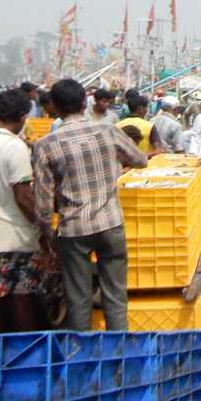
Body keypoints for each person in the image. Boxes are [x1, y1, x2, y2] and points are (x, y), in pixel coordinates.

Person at [33, 78, 148, 331]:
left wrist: (46, 237)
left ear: (53, 106)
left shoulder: (45, 145)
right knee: (116, 299)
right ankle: (120, 361)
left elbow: (42, 204)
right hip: (110, 223)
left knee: (78, 302)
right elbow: (140, 160)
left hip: (73, 229)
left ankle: (83, 362)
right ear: (85, 103)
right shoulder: (108, 131)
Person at [0, 89, 53, 332]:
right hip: (14, 241)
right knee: (22, 309)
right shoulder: (15, 147)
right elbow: (23, 197)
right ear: (22, 117)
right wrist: (44, 230)